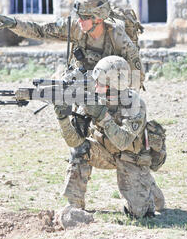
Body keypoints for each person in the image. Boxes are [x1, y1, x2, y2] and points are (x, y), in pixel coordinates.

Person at [53, 56, 165, 218]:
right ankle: (74, 204)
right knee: (80, 150)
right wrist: (62, 119)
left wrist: (102, 115)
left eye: (101, 83)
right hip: (104, 153)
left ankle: (150, 187)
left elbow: (124, 141)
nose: (96, 87)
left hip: (131, 159)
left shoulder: (134, 104)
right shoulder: (93, 98)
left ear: (115, 86)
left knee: (139, 214)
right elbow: (75, 142)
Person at [0, 0, 145, 89]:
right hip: (81, 83)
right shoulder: (75, 27)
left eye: (84, 18)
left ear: (98, 19)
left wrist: (111, 88)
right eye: (78, 16)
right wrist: (14, 24)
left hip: (110, 90)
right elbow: (40, 31)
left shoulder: (117, 36)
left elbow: (138, 78)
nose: (79, 21)